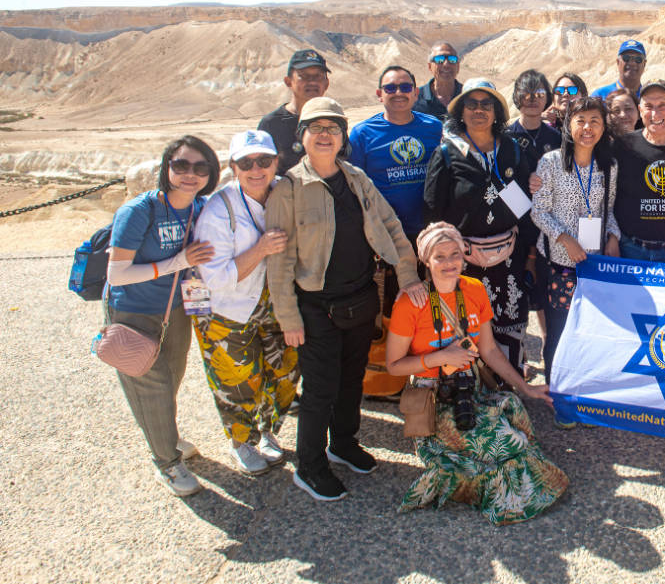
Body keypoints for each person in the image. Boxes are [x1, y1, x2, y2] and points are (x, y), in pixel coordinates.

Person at [265, 97, 426, 502]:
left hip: (359, 297)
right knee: (320, 389)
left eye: (333, 128)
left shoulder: (355, 179)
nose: (324, 135)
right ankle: (310, 465)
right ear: (302, 137)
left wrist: (408, 276)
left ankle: (344, 443)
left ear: (343, 138)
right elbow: (280, 259)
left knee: (352, 380)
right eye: (316, 128)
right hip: (315, 306)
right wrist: (288, 317)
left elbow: (390, 226)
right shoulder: (288, 189)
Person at [385, 222, 567, 524]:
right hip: (434, 397)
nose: (449, 263)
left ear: (464, 255)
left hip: (472, 388)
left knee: (516, 419)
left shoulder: (474, 290)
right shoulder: (410, 303)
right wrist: (440, 357)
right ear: (425, 260)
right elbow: (394, 365)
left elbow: (490, 350)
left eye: (455, 254)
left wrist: (526, 388)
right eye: (439, 257)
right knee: (505, 442)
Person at [104, 136, 219, 496]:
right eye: (181, 165)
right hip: (134, 312)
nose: (190, 174)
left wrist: (201, 309)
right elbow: (116, 274)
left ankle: (164, 436)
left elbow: (197, 267)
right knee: (151, 388)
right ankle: (166, 463)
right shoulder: (139, 211)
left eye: (200, 168)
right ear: (166, 167)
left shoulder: (198, 208)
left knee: (171, 379)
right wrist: (177, 262)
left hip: (175, 310)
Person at [193, 131, 298, 476]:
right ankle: (242, 440)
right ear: (233, 167)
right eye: (246, 163)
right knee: (238, 379)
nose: (257, 170)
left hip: (275, 300)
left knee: (283, 369)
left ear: (276, 162)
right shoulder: (218, 211)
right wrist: (261, 250)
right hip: (229, 307)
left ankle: (268, 431)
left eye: (264, 161)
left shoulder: (288, 190)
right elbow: (217, 278)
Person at [423, 79, 534, 372]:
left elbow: (526, 203)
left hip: (509, 257)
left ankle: (509, 384)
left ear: (497, 112)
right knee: (466, 325)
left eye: (487, 104)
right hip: (464, 261)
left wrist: (530, 252)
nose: (479, 110)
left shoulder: (513, 150)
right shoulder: (447, 154)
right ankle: (471, 394)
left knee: (509, 321)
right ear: (461, 111)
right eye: (472, 104)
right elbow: (434, 210)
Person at [531, 96, 620, 396]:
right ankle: (557, 392)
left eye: (595, 121)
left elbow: (609, 210)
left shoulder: (610, 166)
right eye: (580, 120)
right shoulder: (551, 162)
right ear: (568, 125)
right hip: (559, 263)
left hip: (593, 265)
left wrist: (613, 237)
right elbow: (538, 211)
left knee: (588, 330)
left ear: (604, 126)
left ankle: (584, 388)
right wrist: (565, 239)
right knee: (559, 331)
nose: (587, 128)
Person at [348, 65, 443, 249]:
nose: (398, 92)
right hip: (386, 234)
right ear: (379, 94)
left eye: (406, 87)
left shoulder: (434, 127)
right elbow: (354, 186)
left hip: (429, 230)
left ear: (415, 93)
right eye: (390, 88)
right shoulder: (362, 134)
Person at [505, 69, 563, 338]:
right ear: (517, 97)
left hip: (549, 227)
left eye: (538, 93)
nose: (532, 99)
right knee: (515, 291)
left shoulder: (555, 138)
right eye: (526, 94)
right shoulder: (505, 136)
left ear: (547, 98)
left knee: (544, 291)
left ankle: (546, 343)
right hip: (515, 227)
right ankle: (520, 358)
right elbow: (500, 182)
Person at [612, 80, 665, 263]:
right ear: (640, 110)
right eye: (649, 106)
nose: (655, 113)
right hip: (630, 251)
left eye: (662, 105)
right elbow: (604, 195)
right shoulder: (622, 146)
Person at [257, 49, 330, 172]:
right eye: (304, 76)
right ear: (288, 81)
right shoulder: (271, 124)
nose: (312, 82)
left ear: (326, 83)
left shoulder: (332, 121)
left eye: (318, 76)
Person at [413, 43, 464, 120]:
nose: (446, 64)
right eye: (439, 59)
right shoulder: (415, 99)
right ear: (430, 66)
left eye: (452, 59)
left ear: (458, 66)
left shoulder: (468, 96)